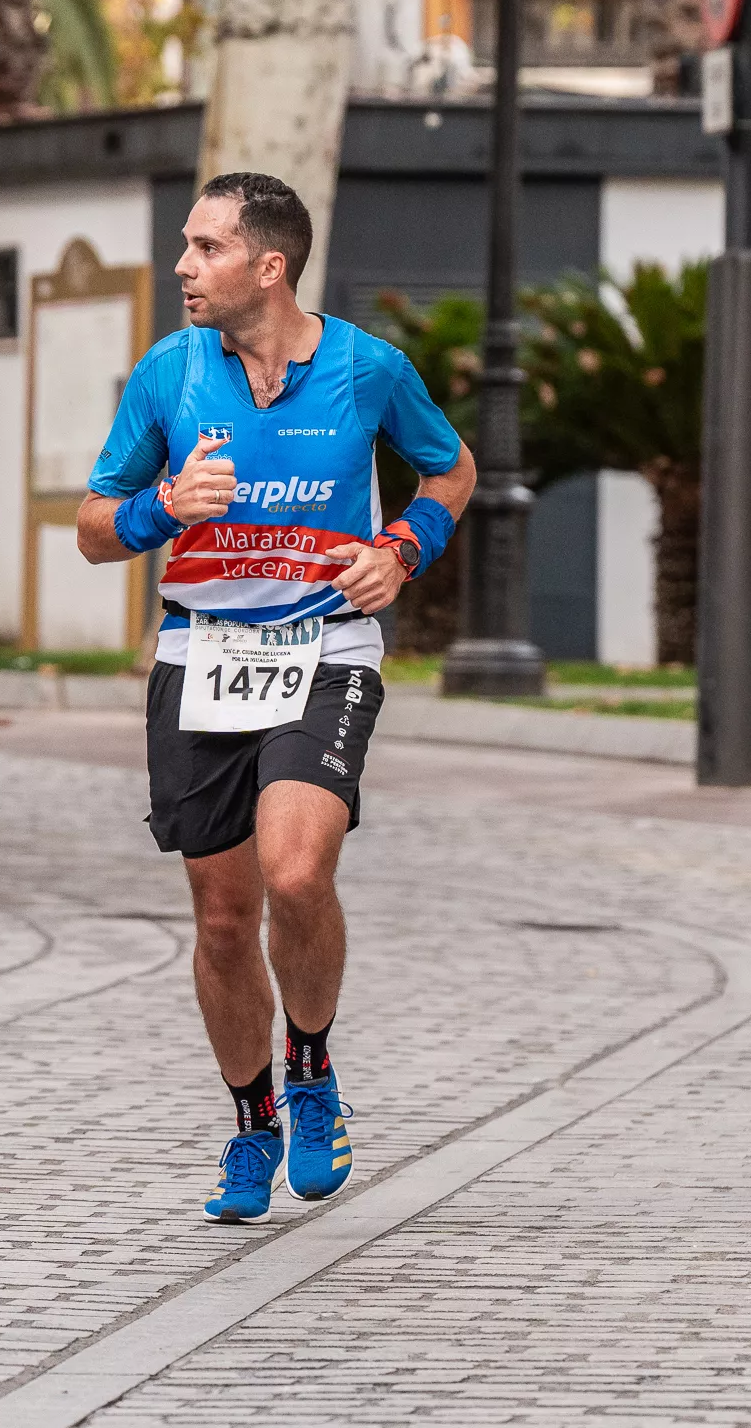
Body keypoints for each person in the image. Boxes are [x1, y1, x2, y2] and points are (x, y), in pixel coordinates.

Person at [78, 172, 473, 1223]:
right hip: (200, 655)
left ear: (270, 264)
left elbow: (451, 469)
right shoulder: (169, 372)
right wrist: (162, 505)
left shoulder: (369, 369)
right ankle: (252, 1120)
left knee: (297, 872)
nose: (182, 266)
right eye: (184, 245)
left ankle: (312, 1066)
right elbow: (91, 521)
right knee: (220, 916)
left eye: (204, 247)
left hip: (327, 645)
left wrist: (403, 547)